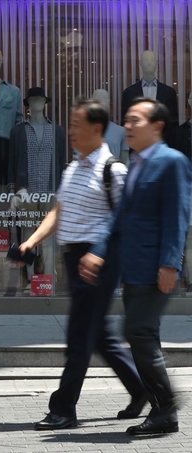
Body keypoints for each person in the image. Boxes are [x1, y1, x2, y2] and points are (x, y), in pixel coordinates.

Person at [17, 99, 145, 431]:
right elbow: (59, 212)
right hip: (76, 258)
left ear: (97, 130)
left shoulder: (113, 170)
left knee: (79, 334)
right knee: (99, 334)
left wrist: (100, 253)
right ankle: (142, 389)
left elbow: (124, 220)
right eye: (70, 124)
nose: (70, 130)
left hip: (98, 260)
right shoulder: (73, 167)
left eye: (77, 124)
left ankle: (63, 408)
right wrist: (32, 240)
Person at [80, 98, 192, 435]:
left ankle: (167, 405)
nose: (127, 126)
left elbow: (178, 217)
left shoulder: (172, 162)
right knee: (145, 335)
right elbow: (119, 217)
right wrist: (98, 251)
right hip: (134, 269)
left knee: (137, 331)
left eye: (135, 120)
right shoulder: (136, 163)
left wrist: (171, 264)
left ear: (157, 126)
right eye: (126, 120)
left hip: (157, 267)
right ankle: (161, 413)